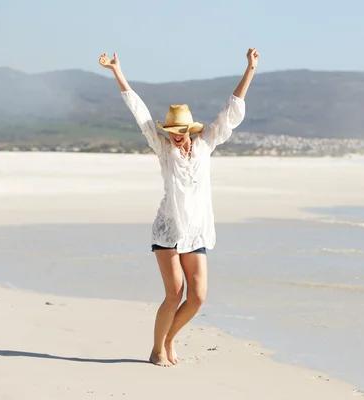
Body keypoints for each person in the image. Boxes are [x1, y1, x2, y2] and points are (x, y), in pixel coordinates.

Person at [99, 48, 259, 367]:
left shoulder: (206, 144)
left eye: (179, 131)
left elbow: (232, 111)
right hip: (169, 230)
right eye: (170, 131)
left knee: (197, 297)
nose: (174, 137)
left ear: (190, 130)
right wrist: (118, 72)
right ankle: (157, 349)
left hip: (196, 232)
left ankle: (170, 339)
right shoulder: (162, 148)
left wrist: (250, 69)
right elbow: (141, 114)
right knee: (175, 292)